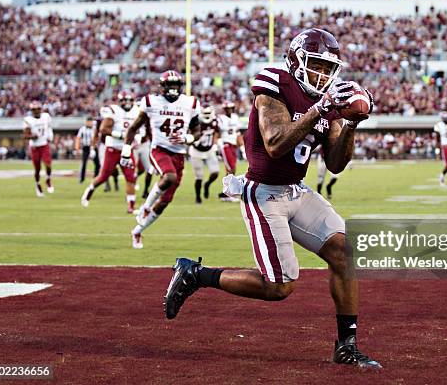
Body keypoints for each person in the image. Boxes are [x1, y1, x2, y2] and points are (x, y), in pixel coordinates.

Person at [163, 29, 381, 368]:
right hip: (264, 193)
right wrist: (320, 109)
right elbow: (276, 143)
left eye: (328, 68)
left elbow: (336, 164)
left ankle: (346, 346)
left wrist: (350, 124)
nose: (322, 75)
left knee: (344, 252)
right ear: (296, 61)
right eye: (317, 65)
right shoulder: (275, 83)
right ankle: (196, 275)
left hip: (296, 191)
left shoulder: (330, 98)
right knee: (279, 286)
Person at [124, 70, 201, 249]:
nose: (173, 89)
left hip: (179, 154)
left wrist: (188, 139)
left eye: (176, 85)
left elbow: (197, 131)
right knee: (169, 177)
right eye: (170, 85)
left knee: (165, 202)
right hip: (159, 150)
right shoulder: (151, 102)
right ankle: (145, 206)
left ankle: (137, 230)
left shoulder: (190, 103)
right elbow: (134, 127)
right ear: (163, 86)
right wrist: (126, 150)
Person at [81, 91, 139, 213]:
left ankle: (131, 206)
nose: (127, 103)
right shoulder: (113, 111)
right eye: (124, 100)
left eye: (129, 100)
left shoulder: (137, 111)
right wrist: (121, 135)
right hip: (112, 149)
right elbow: (103, 129)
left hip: (127, 149)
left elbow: (140, 129)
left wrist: (138, 137)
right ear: (119, 101)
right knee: (103, 176)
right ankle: (89, 190)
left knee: (130, 177)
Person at [189, 106, 220, 204]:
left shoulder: (214, 121)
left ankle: (207, 184)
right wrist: (193, 140)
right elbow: (189, 134)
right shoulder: (195, 122)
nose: (207, 116)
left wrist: (215, 144)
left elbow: (216, 133)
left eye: (208, 114)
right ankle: (198, 197)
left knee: (215, 172)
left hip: (209, 150)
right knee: (199, 177)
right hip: (197, 151)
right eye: (205, 114)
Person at [22, 101, 53, 197]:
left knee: (48, 164)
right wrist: (32, 136)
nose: (36, 111)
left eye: (38, 109)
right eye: (34, 110)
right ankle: (38, 184)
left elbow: (49, 127)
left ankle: (48, 178)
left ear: (41, 109)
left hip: (44, 144)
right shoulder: (28, 120)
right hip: (35, 146)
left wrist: (50, 135)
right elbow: (25, 135)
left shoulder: (46, 117)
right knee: (37, 169)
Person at [217, 101, 243, 202]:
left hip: (233, 145)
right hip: (225, 144)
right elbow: (217, 132)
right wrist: (218, 144)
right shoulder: (220, 119)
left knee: (232, 169)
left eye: (231, 108)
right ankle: (229, 194)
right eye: (228, 108)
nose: (230, 110)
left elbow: (237, 133)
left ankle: (226, 192)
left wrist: (241, 146)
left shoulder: (235, 117)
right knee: (231, 168)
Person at [75, 116, 100, 184]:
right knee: (84, 163)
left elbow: (97, 138)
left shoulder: (95, 129)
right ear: (86, 122)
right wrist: (77, 147)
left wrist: (94, 146)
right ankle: (82, 179)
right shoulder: (82, 129)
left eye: (91, 122)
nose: (90, 123)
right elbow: (78, 138)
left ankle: (95, 177)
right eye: (89, 122)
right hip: (86, 147)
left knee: (97, 163)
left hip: (94, 147)